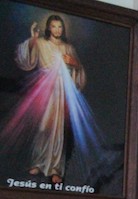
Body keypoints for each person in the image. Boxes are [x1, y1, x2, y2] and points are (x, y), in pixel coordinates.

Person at [12, 15, 86, 184]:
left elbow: (79, 71)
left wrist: (74, 63)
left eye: (60, 27)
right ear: (48, 28)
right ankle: (38, 162)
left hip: (62, 91)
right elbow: (26, 60)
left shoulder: (68, 48)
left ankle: (55, 169)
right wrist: (33, 39)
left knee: (58, 129)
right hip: (45, 89)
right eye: (54, 26)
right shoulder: (41, 43)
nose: (57, 30)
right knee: (43, 127)